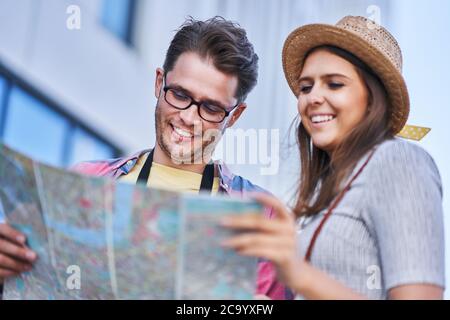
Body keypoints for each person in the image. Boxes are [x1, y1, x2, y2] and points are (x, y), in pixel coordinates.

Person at [0, 16, 290, 300]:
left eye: (212, 108)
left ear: (235, 116)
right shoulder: (86, 181)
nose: (189, 117)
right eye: (179, 94)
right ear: (159, 83)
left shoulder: (261, 218)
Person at [222, 16, 445, 299]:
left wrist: (300, 275)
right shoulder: (339, 186)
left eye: (335, 84)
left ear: (373, 98)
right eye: (306, 87)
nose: (313, 97)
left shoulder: (399, 161)